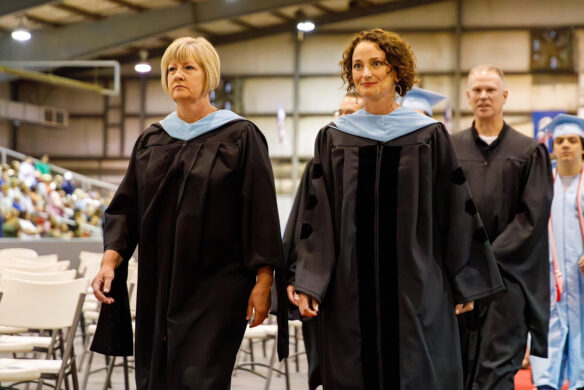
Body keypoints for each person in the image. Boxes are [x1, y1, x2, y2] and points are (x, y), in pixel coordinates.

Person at [290, 28, 504, 389]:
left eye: (377, 63)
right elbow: (317, 216)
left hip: (416, 287)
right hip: (350, 290)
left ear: (397, 72)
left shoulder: (428, 136)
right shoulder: (334, 137)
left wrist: (463, 280)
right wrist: (309, 279)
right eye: (357, 66)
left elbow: (454, 208)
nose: (366, 73)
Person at [90, 36, 288, 390]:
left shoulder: (241, 137)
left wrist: (264, 279)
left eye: (188, 67)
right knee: (157, 377)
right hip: (158, 283)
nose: (177, 75)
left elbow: (259, 211)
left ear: (209, 76)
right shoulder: (153, 140)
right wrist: (109, 261)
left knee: (200, 378)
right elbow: (126, 208)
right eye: (171, 69)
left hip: (218, 286)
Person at [452, 64, 553, 390]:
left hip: (507, 282)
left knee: (496, 372)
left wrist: (486, 258)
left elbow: (532, 218)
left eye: (490, 90)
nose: (483, 96)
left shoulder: (528, 152)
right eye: (477, 90)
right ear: (467, 95)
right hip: (459, 282)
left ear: (504, 96)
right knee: (458, 370)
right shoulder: (450, 151)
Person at [285, 92, 364, 390]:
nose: (343, 118)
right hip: (329, 284)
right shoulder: (321, 162)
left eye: (352, 111)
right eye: (340, 111)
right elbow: (302, 225)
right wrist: (296, 276)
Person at [530, 114, 584, 390]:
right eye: (560, 140)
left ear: (582, 146)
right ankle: (546, 381)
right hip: (549, 277)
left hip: (582, 280)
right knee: (549, 329)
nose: (565, 145)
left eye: (572, 140)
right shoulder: (541, 184)